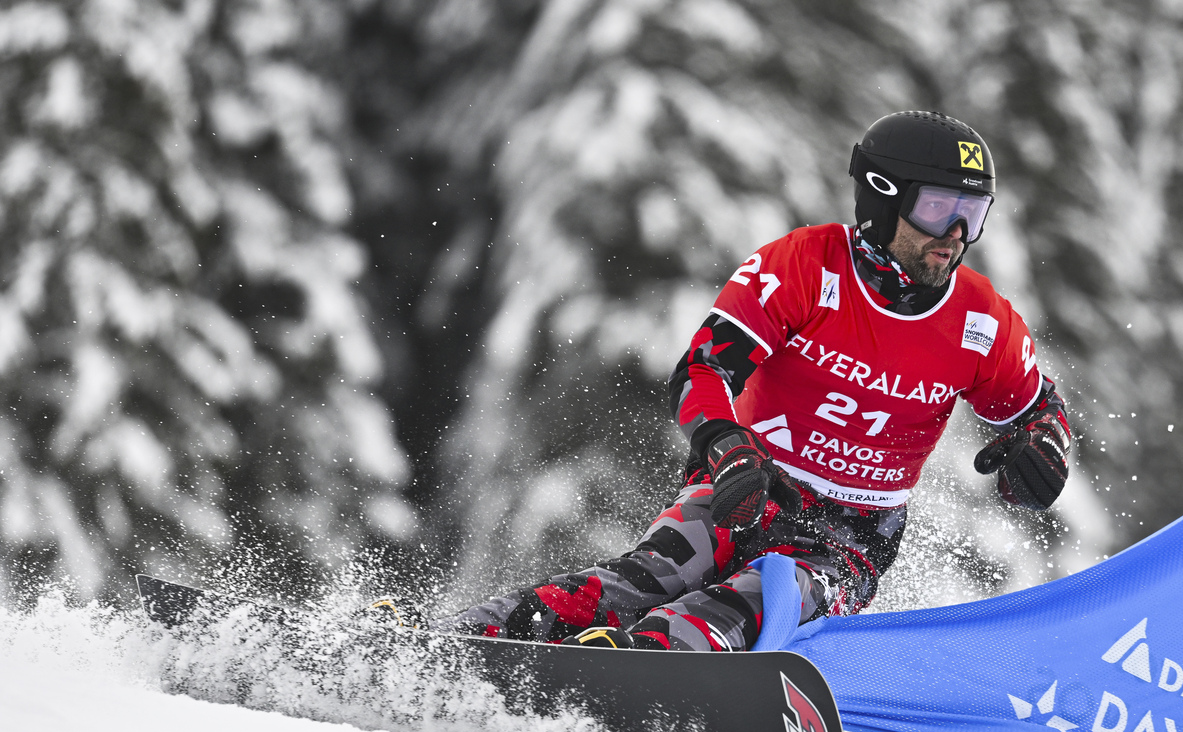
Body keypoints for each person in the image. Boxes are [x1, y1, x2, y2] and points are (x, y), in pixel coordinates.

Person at [432, 111, 1072, 650]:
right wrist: (726, 446)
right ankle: (457, 640)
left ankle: (643, 660)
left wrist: (1044, 445)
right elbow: (703, 368)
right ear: (882, 199)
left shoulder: (983, 322)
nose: (955, 237)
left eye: (972, 214)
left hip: (853, 535)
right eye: (938, 211)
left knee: (750, 609)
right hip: (747, 485)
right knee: (640, 580)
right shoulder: (802, 266)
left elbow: (1040, 411)